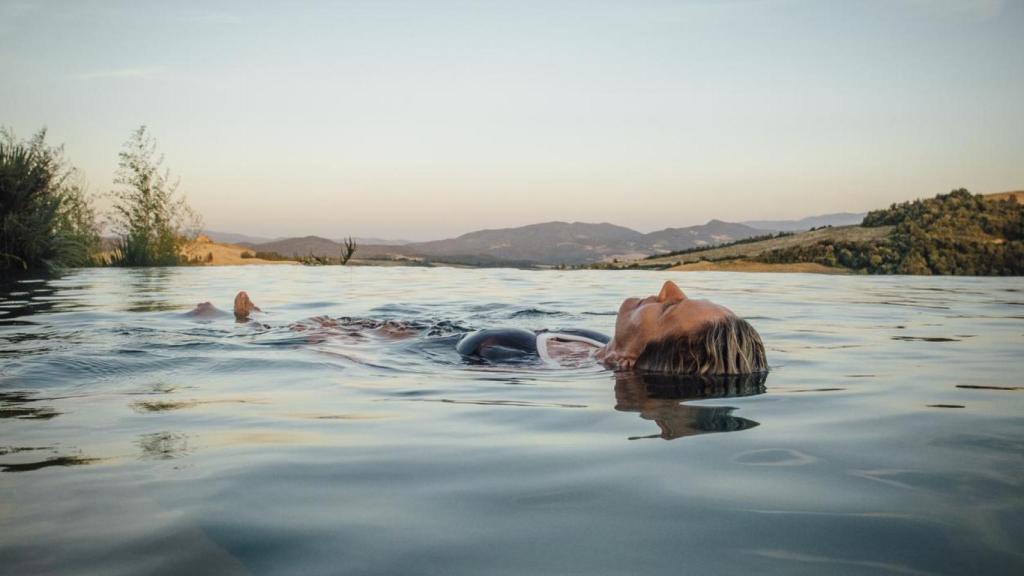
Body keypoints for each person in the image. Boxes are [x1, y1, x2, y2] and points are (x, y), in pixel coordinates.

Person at [190, 280, 767, 375]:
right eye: (679, 296)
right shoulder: (596, 347)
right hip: (416, 328)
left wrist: (330, 343)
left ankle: (245, 327)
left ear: (628, 362)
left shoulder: (513, 361)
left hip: (383, 347)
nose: (667, 290)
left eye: (668, 309)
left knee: (323, 332)